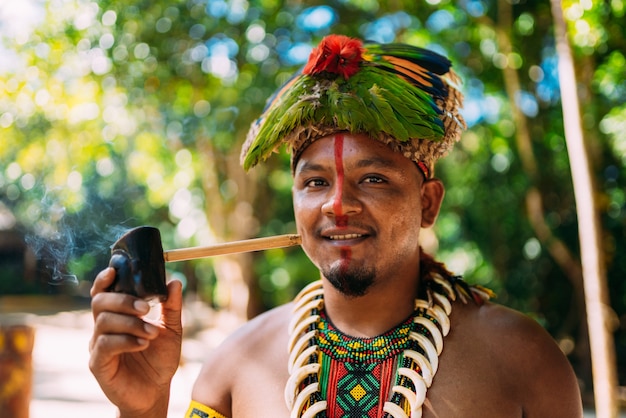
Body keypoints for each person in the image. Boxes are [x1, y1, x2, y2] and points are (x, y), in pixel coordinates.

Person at [89, 34, 583, 418]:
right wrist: (143, 408)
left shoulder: (523, 361)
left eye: (373, 178)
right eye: (316, 182)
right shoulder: (235, 366)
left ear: (428, 204)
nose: (338, 205)